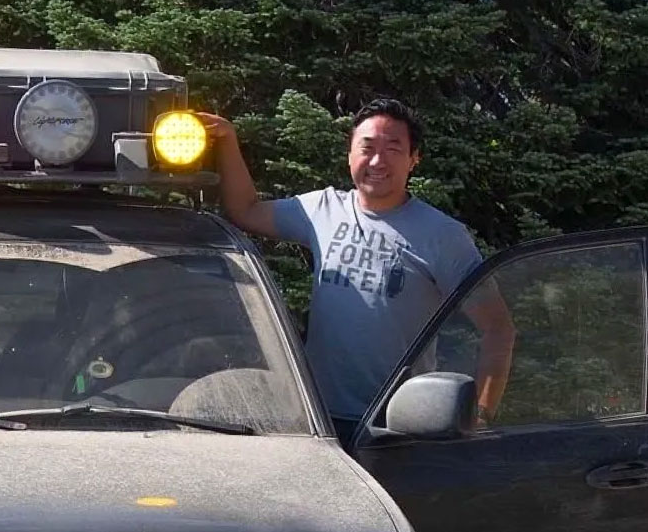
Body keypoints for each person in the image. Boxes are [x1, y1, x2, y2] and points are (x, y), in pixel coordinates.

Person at [198, 99, 514, 442]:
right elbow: (245, 210)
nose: (378, 160)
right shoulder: (322, 209)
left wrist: (480, 416)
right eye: (367, 147)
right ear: (350, 154)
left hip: (397, 428)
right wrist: (228, 139)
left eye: (394, 148)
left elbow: (498, 328)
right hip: (317, 421)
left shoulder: (443, 236)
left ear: (413, 160)